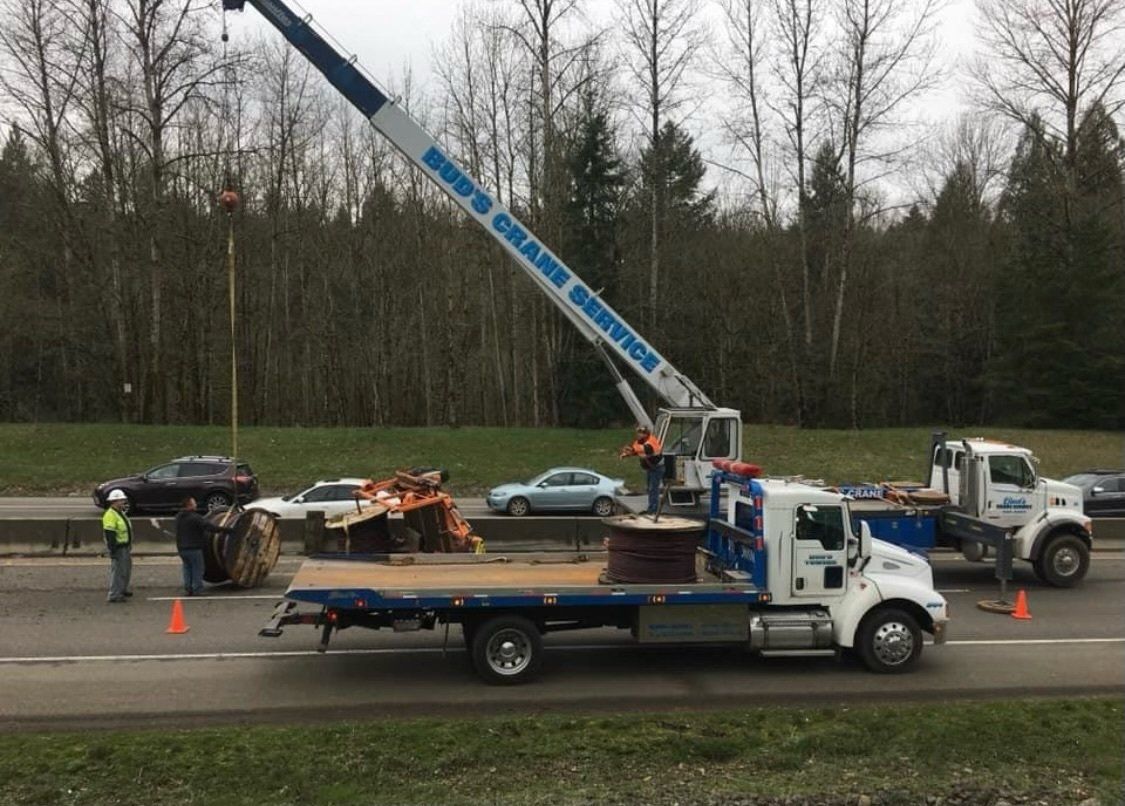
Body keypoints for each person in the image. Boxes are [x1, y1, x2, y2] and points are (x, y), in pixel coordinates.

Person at [174, 497, 234, 596]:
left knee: (187, 568)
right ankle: (197, 589)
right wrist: (227, 530)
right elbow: (210, 528)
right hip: (194, 548)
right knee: (198, 569)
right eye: (194, 503)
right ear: (189, 505)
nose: (195, 504)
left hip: (181, 548)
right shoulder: (195, 518)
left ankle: (188, 589)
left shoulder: (178, 517)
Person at [619, 425, 664, 514]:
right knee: (650, 488)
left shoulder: (651, 441)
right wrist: (627, 454)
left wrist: (630, 449)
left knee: (653, 489)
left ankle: (653, 510)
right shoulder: (640, 441)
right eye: (638, 433)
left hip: (657, 468)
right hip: (651, 468)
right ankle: (651, 508)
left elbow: (645, 449)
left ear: (645, 434)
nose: (638, 435)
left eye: (641, 433)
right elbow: (636, 451)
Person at [102, 489, 133, 603]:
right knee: (118, 571)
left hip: (125, 546)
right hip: (118, 547)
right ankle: (115, 594)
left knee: (126, 569)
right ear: (114, 501)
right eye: (121, 500)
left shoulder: (119, 512)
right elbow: (110, 534)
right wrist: (113, 550)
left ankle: (122, 589)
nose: (123, 502)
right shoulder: (110, 515)